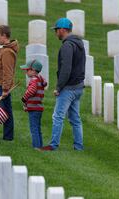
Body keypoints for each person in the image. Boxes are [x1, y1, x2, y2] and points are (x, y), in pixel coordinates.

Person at [42, 18, 86, 151]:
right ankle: (78, 146)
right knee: (75, 119)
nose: (55, 33)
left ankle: (53, 145)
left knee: (58, 116)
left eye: (56, 30)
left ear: (62, 30)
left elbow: (66, 68)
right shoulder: (79, 43)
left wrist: (58, 87)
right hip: (79, 86)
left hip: (68, 88)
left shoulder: (67, 45)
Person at [0, 25, 19, 141]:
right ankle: (7, 136)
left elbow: (8, 72)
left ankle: (8, 137)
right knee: (5, 110)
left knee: (6, 111)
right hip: (2, 85)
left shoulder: (7, 52)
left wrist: (5, 89)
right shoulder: (4, 49)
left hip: (4, 86)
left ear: (4, 36)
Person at [20, 60, 47, 149]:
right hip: (39, 107)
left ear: (33, 70)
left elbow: (31, 91)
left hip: (34, 109)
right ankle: (40, 145)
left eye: (27, 70)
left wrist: (24, 99)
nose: (26, 72)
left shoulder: (34, 80)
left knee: (34, 128)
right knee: (38, 128)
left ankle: (36, 147)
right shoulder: (40, 79)